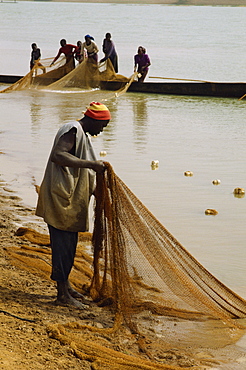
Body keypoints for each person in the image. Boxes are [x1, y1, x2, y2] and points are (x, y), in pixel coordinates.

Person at [35, 102, 111, 308]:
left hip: (69, 199)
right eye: (103, 125)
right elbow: (59, 156)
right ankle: (62, 296)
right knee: (62, 246)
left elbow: (82, 171)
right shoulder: (72, 129)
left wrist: (97, 192)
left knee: (69, 245)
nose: (102, 131)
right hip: (61, 198)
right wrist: (92, 165)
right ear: (94, 120)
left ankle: (66, 286)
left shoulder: (81, 135)